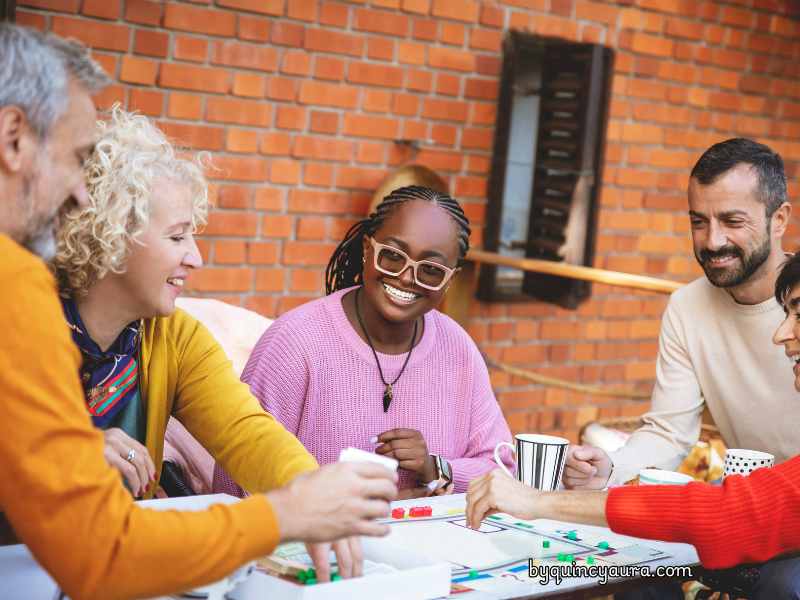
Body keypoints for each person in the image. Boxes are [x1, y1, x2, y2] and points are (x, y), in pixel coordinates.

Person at [0, 23, 395, 600]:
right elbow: (96, 547)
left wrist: (314, 491)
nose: (197, 256)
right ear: (114, 235)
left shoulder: (172, 338)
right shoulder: (20, 296)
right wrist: (79, 452)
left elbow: (248, 434)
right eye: (180, 236)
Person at [465, 251, 800, 577]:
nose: (780, 333)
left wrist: (538, 501)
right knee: (649, 566)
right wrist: (612, 473)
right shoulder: (688, 306)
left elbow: (726, 514)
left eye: (799, 314)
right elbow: (678, 444)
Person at [214, 185, 514, 498]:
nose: (407, 278)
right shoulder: (295, 342)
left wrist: (436, 469)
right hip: (307, 545)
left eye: (430, 270)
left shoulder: (458, 349)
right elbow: (236, 479)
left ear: (450, 281)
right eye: (393, 256)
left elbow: (501, 468)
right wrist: (362, 509)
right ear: (368, 250)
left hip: (434, 542)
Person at [564, 139, 797, 488]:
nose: (713, 240)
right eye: (699, 221)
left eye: (732, 221)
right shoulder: (687, 307)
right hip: (753, 509)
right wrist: (611, 469)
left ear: (778, 219)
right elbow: (670, 433)